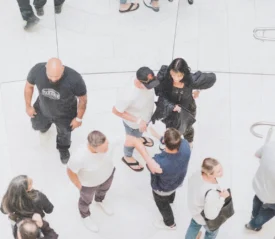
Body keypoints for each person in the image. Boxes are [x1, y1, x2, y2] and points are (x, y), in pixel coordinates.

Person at [67, 130, 162, 232]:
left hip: (107, 175)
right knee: (85, 200)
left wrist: (149, 161)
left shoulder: (109, 141)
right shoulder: (79, 157)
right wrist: (79, 186)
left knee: (103, 191)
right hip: (89, 184)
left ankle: (100, 200)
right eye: (104, 149)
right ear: (92, 147)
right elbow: (70, 171)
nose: (108, 148)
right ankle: (85, 215)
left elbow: (134, 140)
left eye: (107, 145)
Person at [24, 58, 87, 164]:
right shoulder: (37, 70)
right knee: (37, 125)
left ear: (62, 69)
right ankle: (44, 127)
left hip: (65, 114)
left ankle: (63, 149)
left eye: (57, 76)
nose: (53, 79)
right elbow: (28, 87)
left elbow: (83, 100)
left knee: (64, 134)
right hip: (43, 108)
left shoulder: (75, 78)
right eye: (50, 76)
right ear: (45, 69)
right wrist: (28, 106)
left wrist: (79, 118)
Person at [151, 58, 216, 147]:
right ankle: (169, 142)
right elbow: (161, 95)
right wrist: (172, 106)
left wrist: (198, 89)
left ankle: (189, 141)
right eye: (173, 75)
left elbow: (211, 78)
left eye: (179, 76)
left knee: (187, 127)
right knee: (171, 128)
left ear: (184, 74)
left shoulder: (190, 80)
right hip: (170, 108)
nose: (175, 78)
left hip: (187, 108)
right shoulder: (165, 78)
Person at [112, 66, 160, 172]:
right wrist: (138, 121)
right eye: (148, 85)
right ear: (139, 81)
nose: (151, 87)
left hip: (144, 119)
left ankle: (139, 139)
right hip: (133, 124)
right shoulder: (128, 94)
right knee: (131, 140)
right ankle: (127, 156)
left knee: (139, 134)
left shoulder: (148, 80)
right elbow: (115, 111)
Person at [148, 127, 191, 230]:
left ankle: (170, 224)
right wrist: (159, 137)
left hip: (161, 189)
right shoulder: (186, 146)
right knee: (171, 192)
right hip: (177, 181)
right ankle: (171, 201)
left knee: (163, 206)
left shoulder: (159, 161)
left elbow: (149, 165)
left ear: (165, 144)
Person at [185, 158, 230, 239]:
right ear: (209, 174)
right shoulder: (211, 193)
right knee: (211, 233)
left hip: (195, 210)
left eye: (221, 168)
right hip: (205, 218)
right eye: (219, 171)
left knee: (194, 226)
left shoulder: (197, 174)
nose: (222, 172)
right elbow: (211, 216)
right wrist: (222, 198)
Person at [245, 141, 275, 232]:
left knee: (257, 199)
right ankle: (253, 225)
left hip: (259, 184)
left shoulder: (270, 144)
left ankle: (254, 215)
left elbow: (257, 155)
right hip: (272, 198)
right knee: (268, 211)